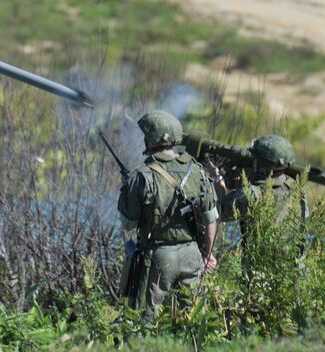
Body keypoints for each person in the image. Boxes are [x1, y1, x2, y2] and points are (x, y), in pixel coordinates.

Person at [117, 110, 219, 319]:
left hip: (158, 257)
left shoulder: (141, 176)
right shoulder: (197, 171)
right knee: (194, 318)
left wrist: (129, 190)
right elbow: (211, 220)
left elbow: (128, 224)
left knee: (145, 319)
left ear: (149, 141)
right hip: (193, 254)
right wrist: (207, 254)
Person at [211, 134, 309, 227]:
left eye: (254, 160)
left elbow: (214, 214)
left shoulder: (251, 195)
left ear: (262, 167)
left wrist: (217, 178)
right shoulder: (296, 189)